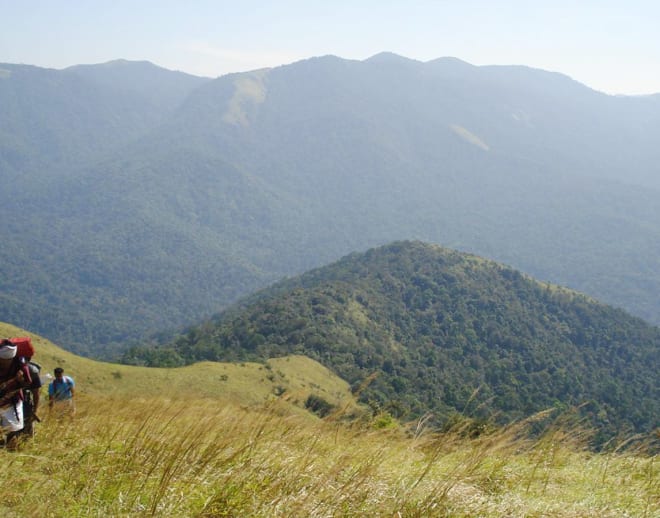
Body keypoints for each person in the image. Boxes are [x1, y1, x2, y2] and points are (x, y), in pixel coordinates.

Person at [0, 339, 29, 449]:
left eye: (9, 360)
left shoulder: (20, 366)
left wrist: (19, 380)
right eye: (3, 360)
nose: (6, 363)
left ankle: (11, 452)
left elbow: (27, 383)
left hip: (12, 402)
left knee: (12, 430)